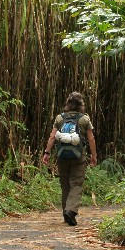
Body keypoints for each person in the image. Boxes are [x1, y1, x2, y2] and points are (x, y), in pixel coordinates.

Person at [42, 91, 97, 226]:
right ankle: (71, 211)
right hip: (79, 157)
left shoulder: (60, 118)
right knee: (76, 184)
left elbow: (52, 137)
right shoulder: (84, 119)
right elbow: (91, 139)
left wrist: (47, 152)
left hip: (62, 156)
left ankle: (66, 212)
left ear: (68, 104)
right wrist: (94, 156)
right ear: (81, 105)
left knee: (65, 184)